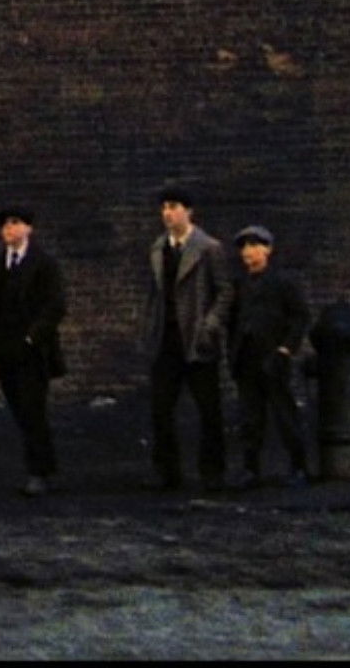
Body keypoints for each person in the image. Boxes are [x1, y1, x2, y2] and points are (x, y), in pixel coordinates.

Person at [142, 185, 231, 491]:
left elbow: (225, 291)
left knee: (208, 409)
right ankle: (167, 471)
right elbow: (154, 294)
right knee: (161, 408)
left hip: (196, 338)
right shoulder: (158, 249)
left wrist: (210, 324)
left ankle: (213, 472)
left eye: (174, 206)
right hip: (165, 339)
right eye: (164, 207)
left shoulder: (208, 248)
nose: (168, 213)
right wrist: (149, 328)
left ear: (189, 211)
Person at [0, 206, 67, 494]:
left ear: (28, 228)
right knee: (19, 409)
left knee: (33, 410)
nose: (8, 228)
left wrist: (32, 338)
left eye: (15, 223)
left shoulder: (44, 263)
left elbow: (56, 305)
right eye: (4, 224)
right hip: (5, 349)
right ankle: (43, 463)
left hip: (32, 351)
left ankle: (38, 472)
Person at [226, 224, 313, 488]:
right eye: (244, 247)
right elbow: (234, 319)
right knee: (250, 417)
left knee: (285, 413)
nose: (248, 252)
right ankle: (251, 469)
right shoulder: (240, 284)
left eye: (254, 245)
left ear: (268, 250)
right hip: (246, 357)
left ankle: (299, 466)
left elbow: (300, 316)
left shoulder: (282, 283)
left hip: (273, 356)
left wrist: (286, 348)